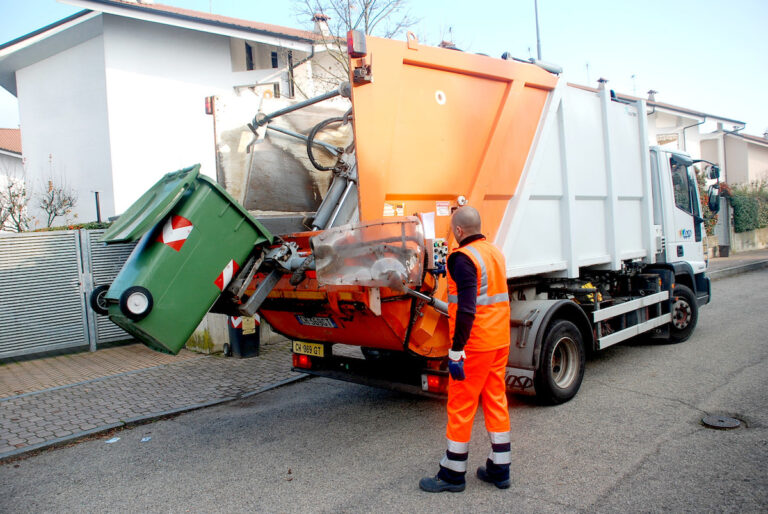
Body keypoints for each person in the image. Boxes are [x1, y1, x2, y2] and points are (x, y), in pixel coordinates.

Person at [419, 206, 512, 493]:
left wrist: (457, 349)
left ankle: (452, 473)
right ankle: (500, 468)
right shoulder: (494, 252)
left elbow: (468, 308)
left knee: (461, 405)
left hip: (476, 344)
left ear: (459, 231)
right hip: (499, 340)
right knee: (496, 400)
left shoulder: (462, 258)